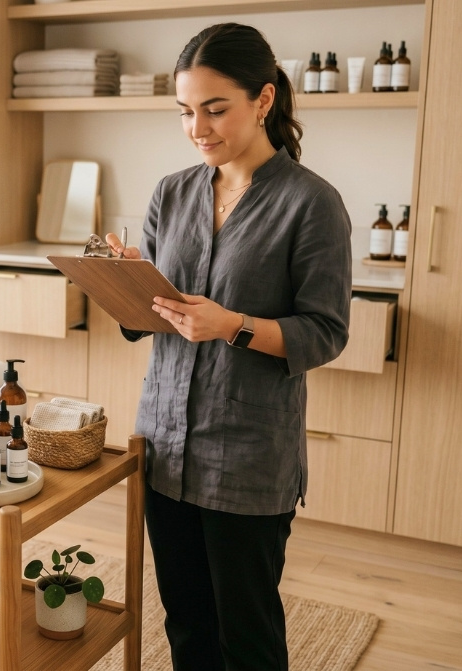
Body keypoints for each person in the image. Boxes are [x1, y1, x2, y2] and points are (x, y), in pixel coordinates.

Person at [105, 23, 352, 671]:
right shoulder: (172, 192)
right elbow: (152, 318)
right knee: (185, 620)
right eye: (186, 111)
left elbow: (325, 332)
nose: (198, 127)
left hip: (246, 458)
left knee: (247, 633)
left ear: (263, 100)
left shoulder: (312, 204)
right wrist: (129, 281)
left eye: (215, 109)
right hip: (163, 445)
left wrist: (233, 324)